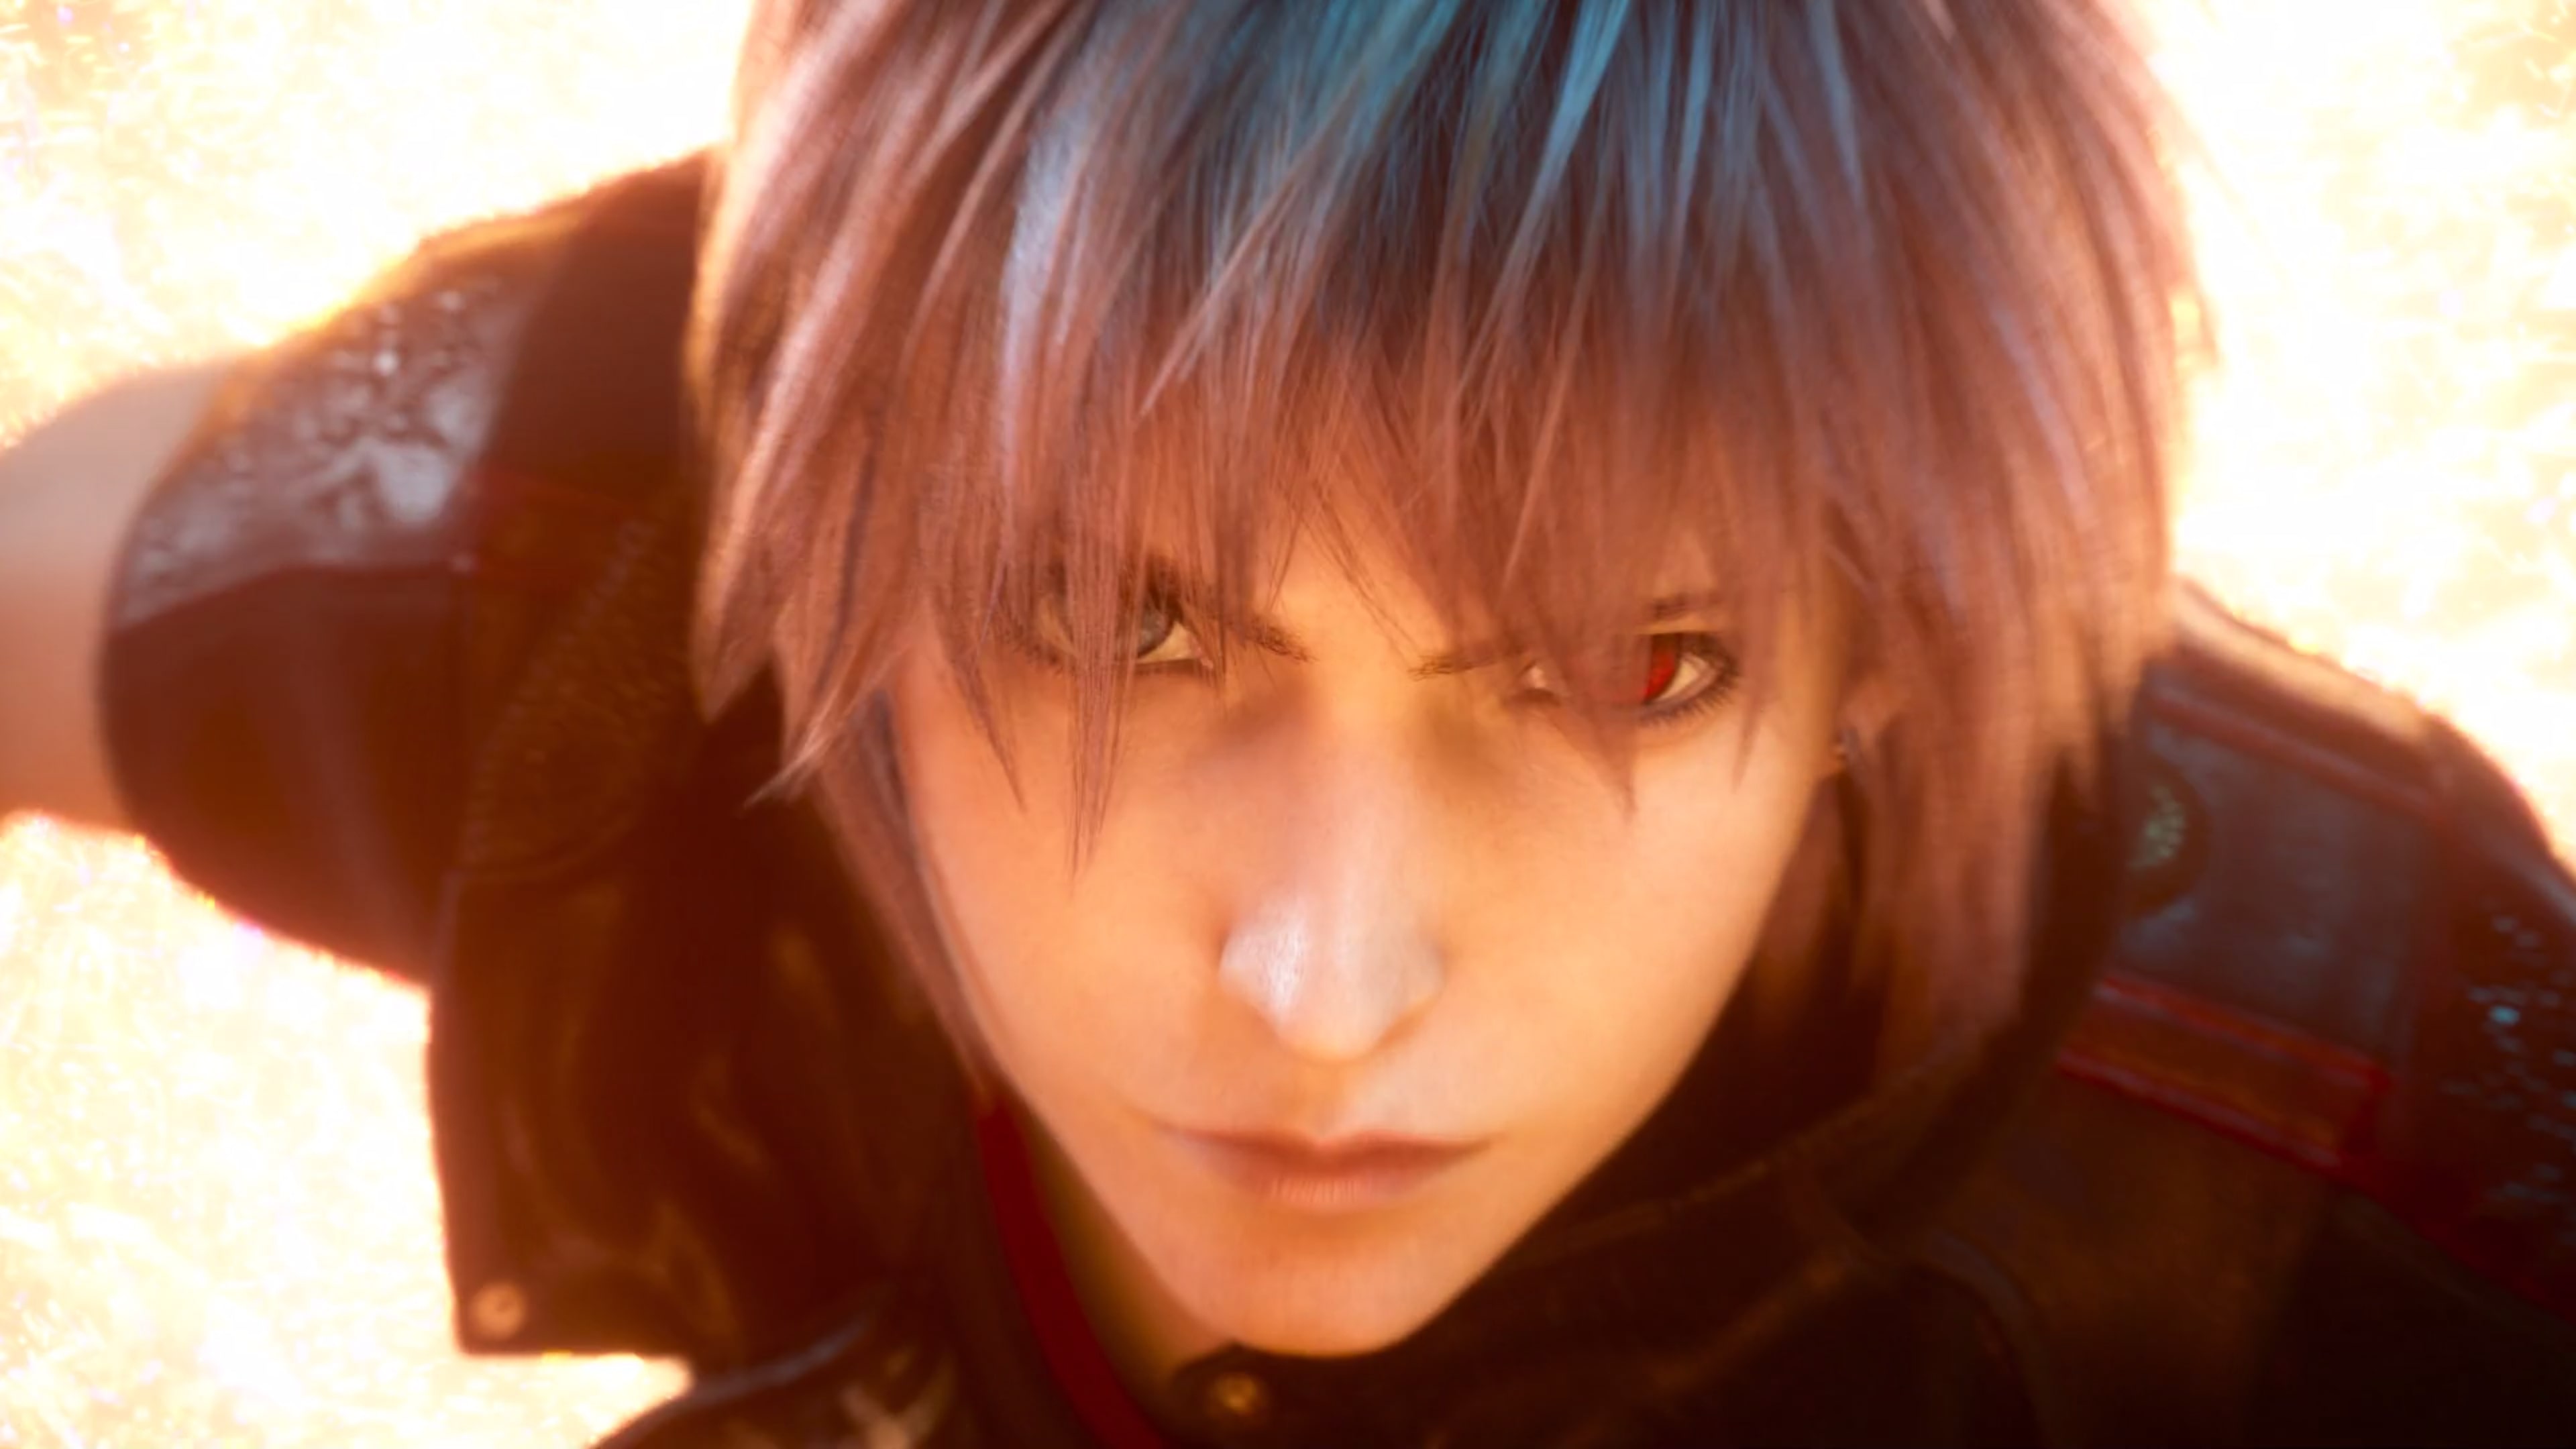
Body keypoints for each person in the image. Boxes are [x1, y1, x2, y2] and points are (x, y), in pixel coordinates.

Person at [3, 1, 2573, 1444]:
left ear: (1891, 641)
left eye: (1633, 667)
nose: (1325, 988)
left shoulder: (2364, 1127)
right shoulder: (578, 559)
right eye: (1107, 622)